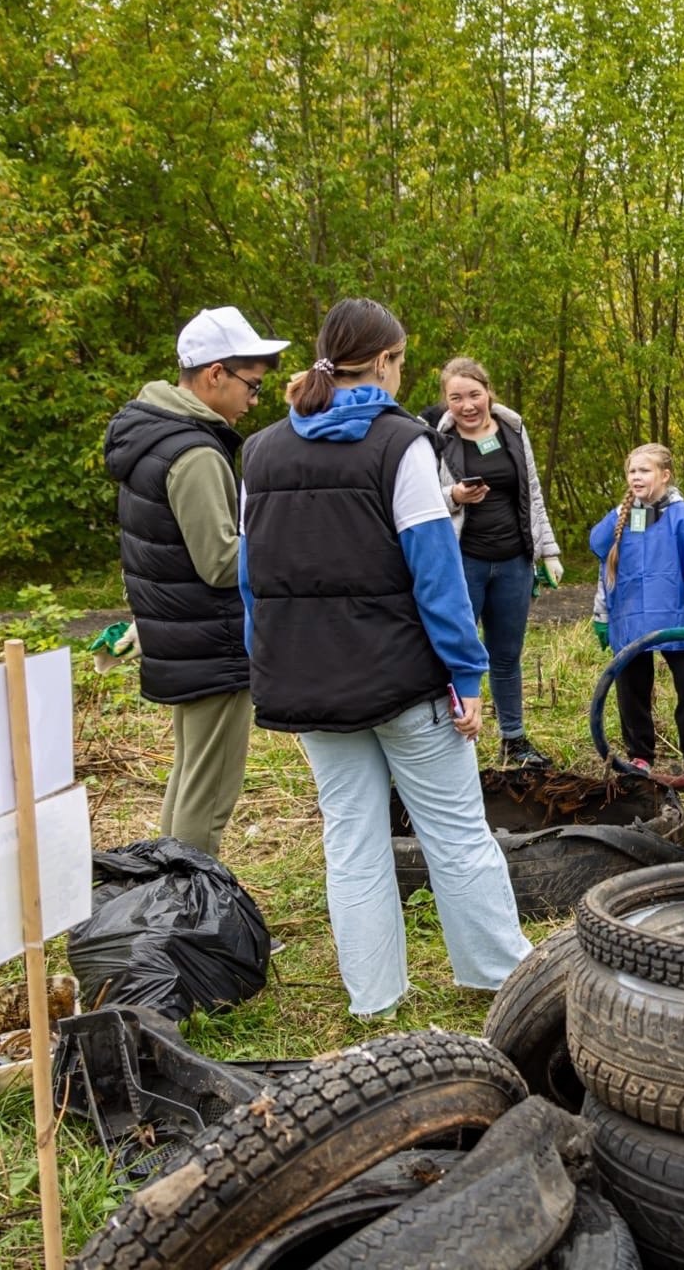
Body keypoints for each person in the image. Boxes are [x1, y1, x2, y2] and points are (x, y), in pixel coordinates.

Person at [238, 297, 530, 1015]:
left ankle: (374, 997)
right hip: (406, 682)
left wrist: (268, 664)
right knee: (457, 833)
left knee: (352, 841)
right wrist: (466, 674)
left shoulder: (260, 450)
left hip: (307, 681)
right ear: (389, 361)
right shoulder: (404, 446)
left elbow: (252, 581)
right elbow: (437, 575)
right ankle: (499, 977)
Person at [104, 306, 288, 857]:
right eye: (251, 387)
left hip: (182, 638)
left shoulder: (151, 433)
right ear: (215, 375)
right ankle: (192, 927)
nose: (254, 401)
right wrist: (287, 543)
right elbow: (221, 562)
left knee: (188, 780)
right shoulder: (196, 451)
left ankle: (169, 908)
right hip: (212, 642)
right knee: (207, 797)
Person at [417, 357, 565, 769]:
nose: (466, 405)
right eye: (456, 398)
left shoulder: (513, 430)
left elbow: (532, 491)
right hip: (463, 561)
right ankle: (452, 744)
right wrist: (454, 498)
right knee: (456, 652)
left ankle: (513, 740)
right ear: (446, 402)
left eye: (474, 395)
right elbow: (421, 498)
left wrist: (546, 551)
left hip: (514, 561)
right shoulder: (434, 438)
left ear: (488, 392)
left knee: (506, 654)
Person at [589, 443, 684, 789]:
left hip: (675, 617)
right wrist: (601, 615)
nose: (636, 477)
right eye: (632, 471)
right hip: (631, 619)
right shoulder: (620, 519)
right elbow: (607, 573)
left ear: (664, 475)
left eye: (645, 470)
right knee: (632, 689)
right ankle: (640, 756)